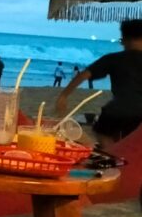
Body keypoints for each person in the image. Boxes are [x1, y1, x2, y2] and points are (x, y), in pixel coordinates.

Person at [56, 19, 142, 148]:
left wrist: (64, 95)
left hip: (118, 111)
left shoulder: (113, 59)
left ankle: (111, 152)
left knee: (102, 133)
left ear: (124, 39)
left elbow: (83, 75)